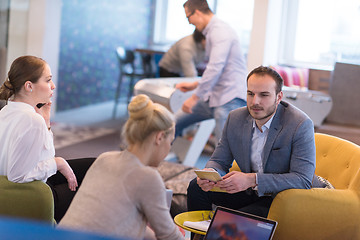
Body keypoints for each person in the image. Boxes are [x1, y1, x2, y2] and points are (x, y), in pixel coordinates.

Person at [187, 66, 316, 220]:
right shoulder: (235, 118)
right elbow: (219, 161)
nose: (255, 102)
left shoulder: (299, 124)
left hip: (280, 197)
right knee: (196, 188)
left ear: (279, 97)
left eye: (264, 95)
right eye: (250, 94)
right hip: (249, 191)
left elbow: (303, 179)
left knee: (237, 219)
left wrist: (251, 179)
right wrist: (210, 174)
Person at [59, 94, 185, 240]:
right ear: (159, 137)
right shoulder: (147, 177)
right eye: (171, 142)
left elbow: (127, 223)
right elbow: (168, 235)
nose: (169, 148)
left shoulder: (104, 159)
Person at [0, 55, 95, 222]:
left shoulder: (7, 111)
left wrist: (45, 122)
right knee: (98, 188)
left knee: (96, 167)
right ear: (29, 86)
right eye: (48, 80)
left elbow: (43, 156)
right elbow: (18, 176)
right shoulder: (30, 120)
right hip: (32, 195)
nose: (53, 86)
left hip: (31, 184)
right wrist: (58, 163)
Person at [174, 0, 248, 142]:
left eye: (188, 17)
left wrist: (194, 98)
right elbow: (219, 71)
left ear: (197, 12)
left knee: (224, 149)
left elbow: (215, 67)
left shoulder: (220, 31)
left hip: (230, 98)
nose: (189, 22)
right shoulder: (211, 32)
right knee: (174, 123)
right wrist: (195, 85)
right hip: (214, 96)